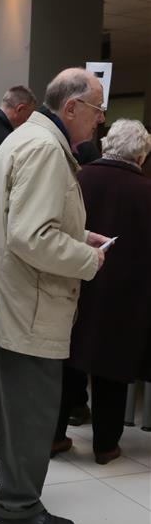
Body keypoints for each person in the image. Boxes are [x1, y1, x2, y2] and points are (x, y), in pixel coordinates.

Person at [0, 68, 109, 524]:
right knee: (31, 411)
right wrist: (88, 258)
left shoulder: (24, 139)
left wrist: (78, 234)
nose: (100, 119)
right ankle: (18, 504)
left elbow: (19, 218)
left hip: (7, 297)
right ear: (71, 108)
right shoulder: (45, 149)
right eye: (97, 109)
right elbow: (30, 236)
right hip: (30, 304)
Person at [54, 119, 151, 464]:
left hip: (73, 285)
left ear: (107, 144)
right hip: (125, 297)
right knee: (112, 367)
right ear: (141, 155)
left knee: (66, 364)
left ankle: (54, 437)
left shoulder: (79, 179)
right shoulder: (146, 192)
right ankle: (106, 446)